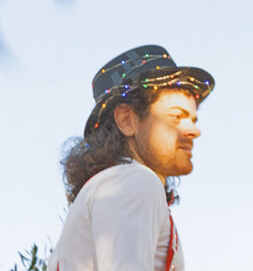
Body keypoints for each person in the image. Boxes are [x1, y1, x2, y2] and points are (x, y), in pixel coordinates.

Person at [47, 45, 214, 271]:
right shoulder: (134, 181)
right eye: (176, 116)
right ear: (127, 120)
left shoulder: (116, 184)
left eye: (193, 119)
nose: (194, 130)